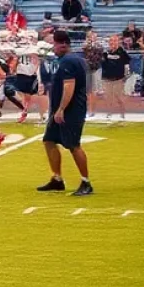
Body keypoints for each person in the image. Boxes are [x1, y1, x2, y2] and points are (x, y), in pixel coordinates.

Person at [37, 29, 92, 196]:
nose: (52, 48)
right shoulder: (74, 60)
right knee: (49, 140)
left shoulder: (68, 61)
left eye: (54, 44)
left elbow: (69, 86)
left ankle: (86, 182)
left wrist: (61, 109)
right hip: (62, 109)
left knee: (74, 145)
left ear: (61, 44)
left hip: (71, 110)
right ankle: (57, 178)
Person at [100, 34, 129, 121]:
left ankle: (122, 114)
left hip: (119, 79)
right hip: (106, 78)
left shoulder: (122, 52)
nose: (113, 42)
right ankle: (109, 113)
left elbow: (126, 65)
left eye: (115, 41)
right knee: (108, 97)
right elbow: (101, 63)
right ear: (109, 42)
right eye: (111, 41)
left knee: (119, 97)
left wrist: (126, 76)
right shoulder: (105, 52)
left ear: (118, 42)